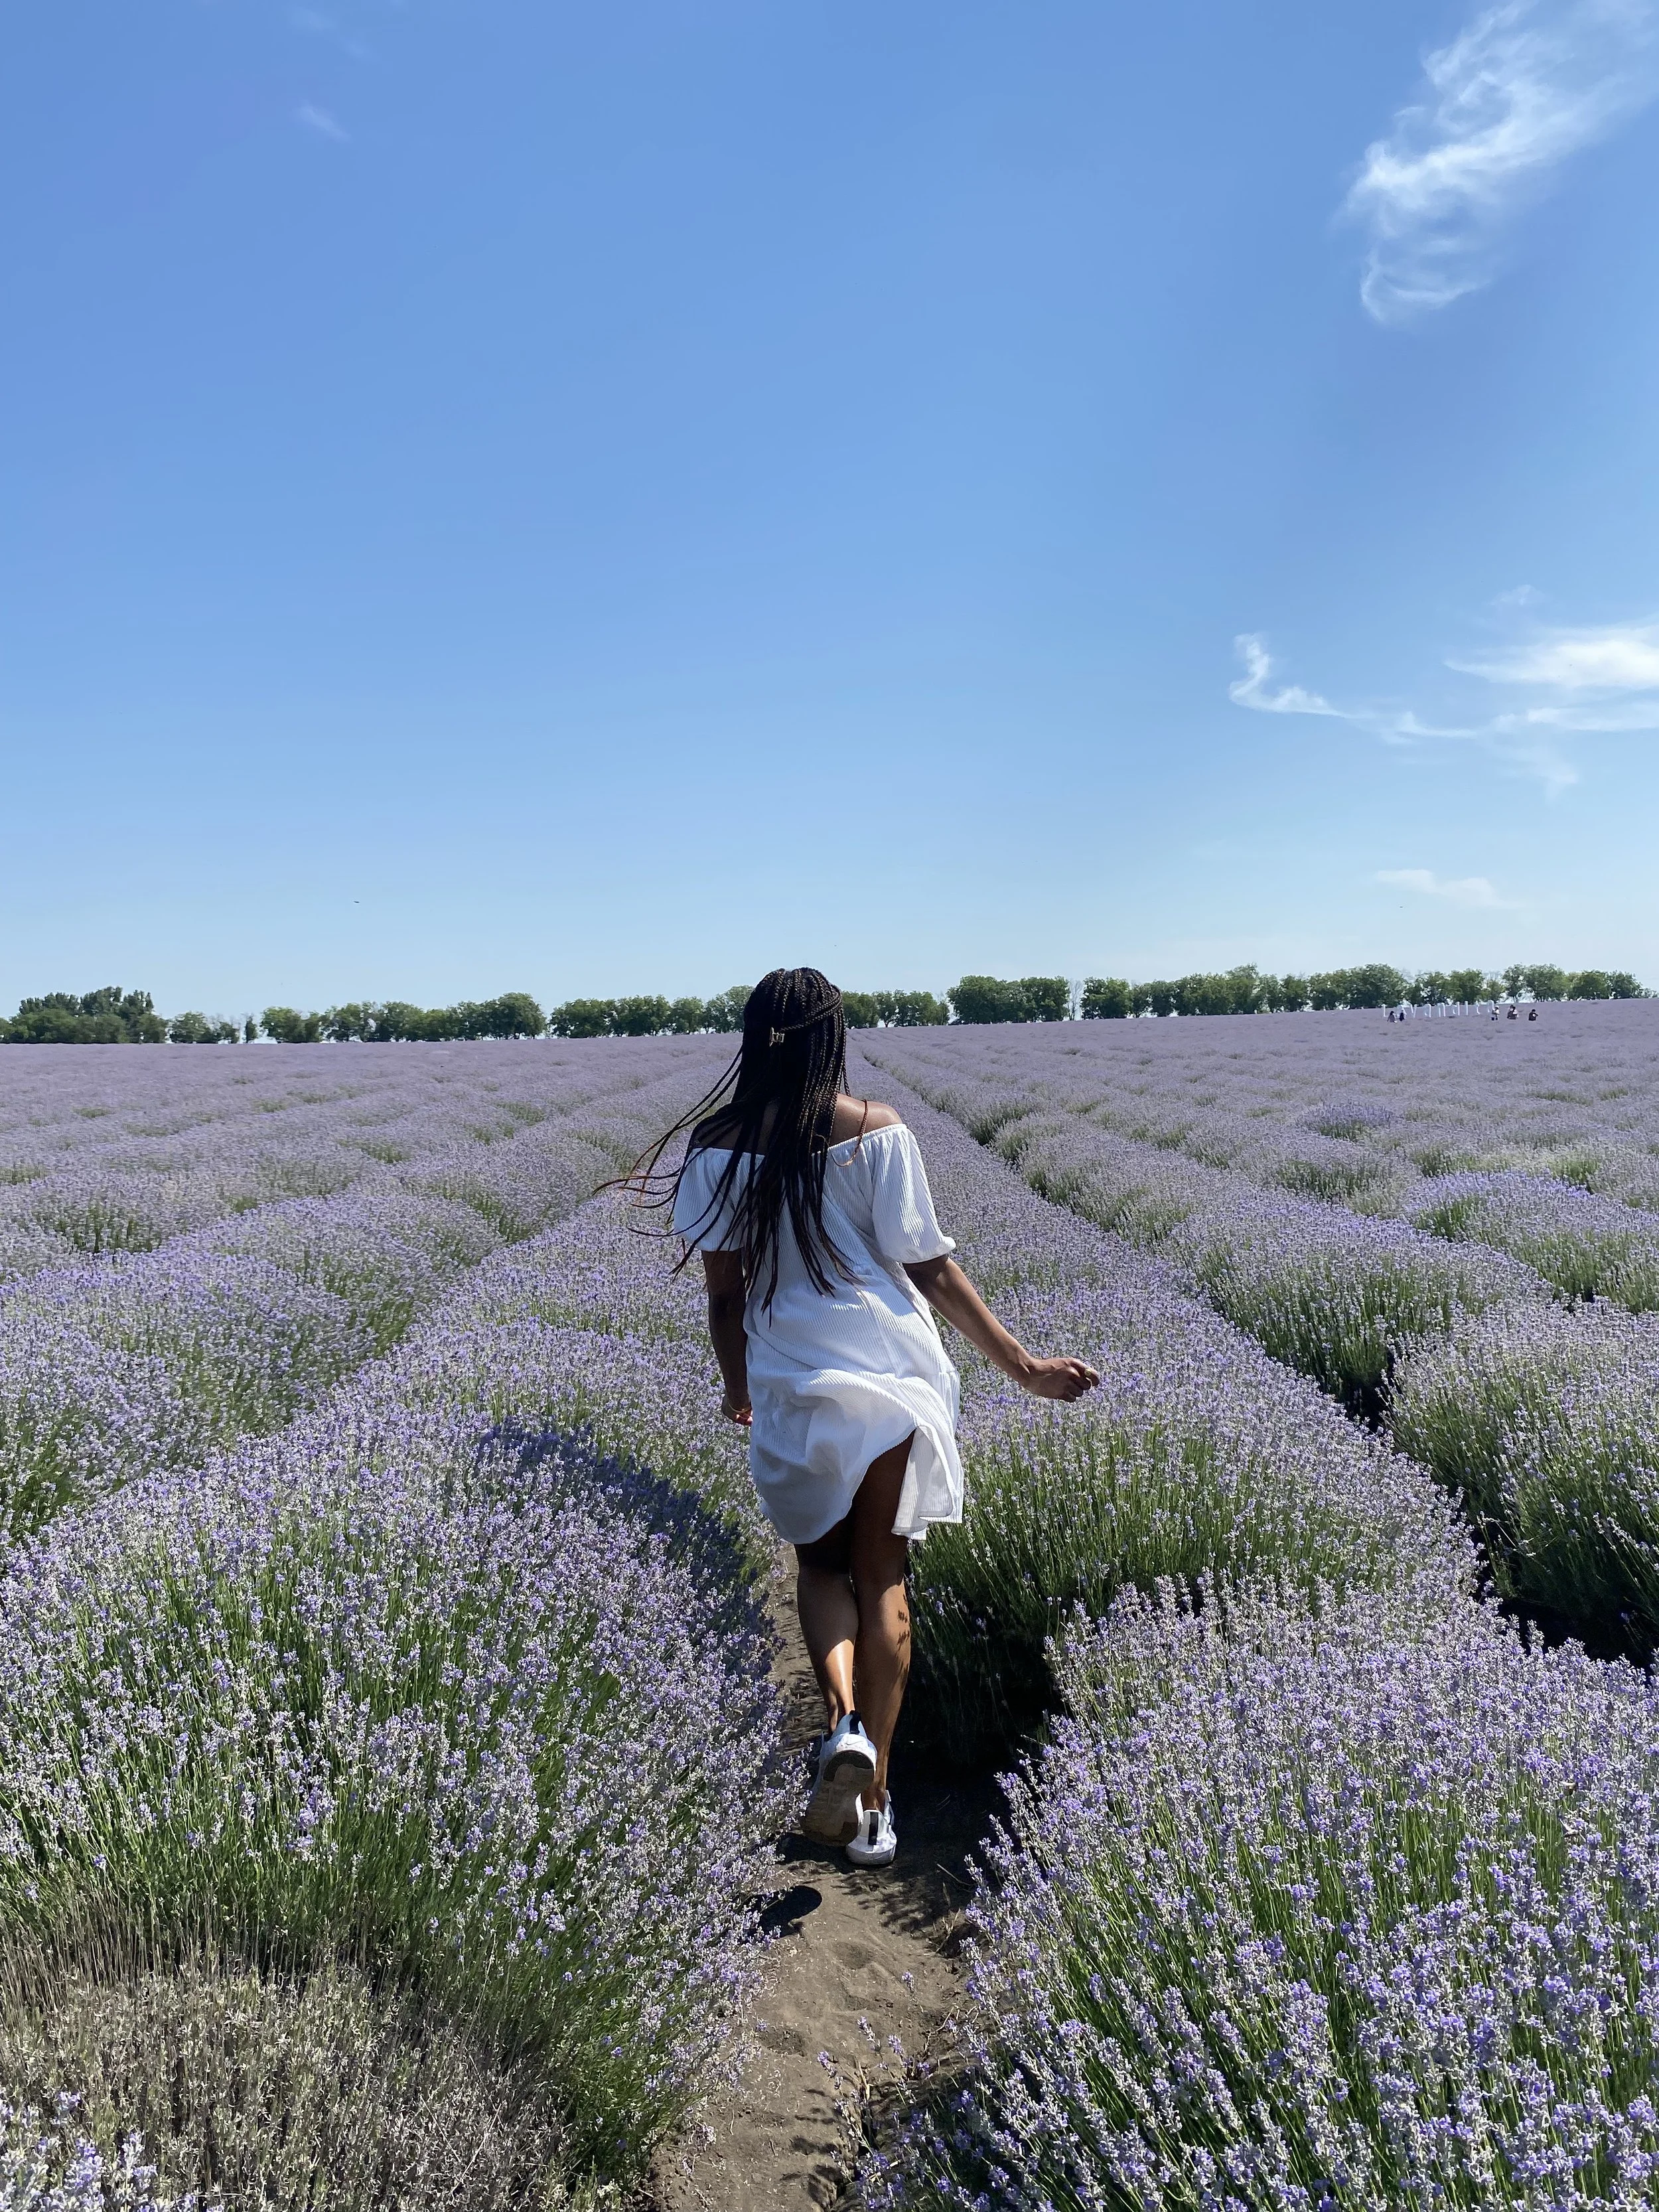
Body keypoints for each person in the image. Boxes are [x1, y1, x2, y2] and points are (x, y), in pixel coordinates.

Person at [639, 969, 1099, 1870]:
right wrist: (1026, 1366)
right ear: (831, 1035)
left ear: (753, 1035)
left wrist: (739, 1387)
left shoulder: (718, 1143)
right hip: (893, 1377)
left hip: (794, 1379)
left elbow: (725, 1297)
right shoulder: (877, 1131)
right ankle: (876, 1799)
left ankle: (841, 1721)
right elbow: (928, 1270)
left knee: (819, 1568)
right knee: (884, 1579)